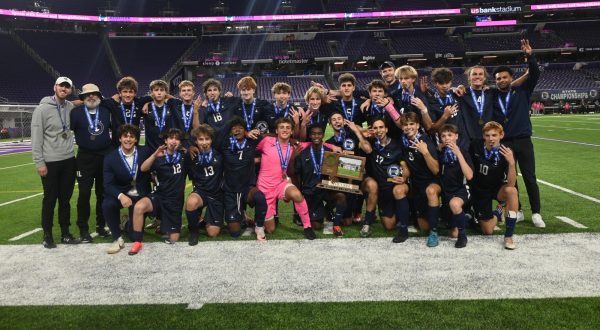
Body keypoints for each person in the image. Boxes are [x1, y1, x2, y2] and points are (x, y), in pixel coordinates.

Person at [254, 117, 340, 240]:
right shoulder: (267, 141)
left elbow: (314, 142)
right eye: (282, 127)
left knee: (297, 194)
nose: (285, 130)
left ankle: (307, 226)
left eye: (288, 128)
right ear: (276, 131)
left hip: (281, 184)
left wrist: (332, 146)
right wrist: (256, 160)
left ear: (292, 131)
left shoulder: (296, 146)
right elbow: (252, 150)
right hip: (265, 187)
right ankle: (258, 224)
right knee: (270, 229)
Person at [492, 39, 545, 228]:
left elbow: (535, 73)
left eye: (504, 77)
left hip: (523, 141)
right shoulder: (493, 96)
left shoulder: (523, 91)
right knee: (510, 179)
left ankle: (536, 213)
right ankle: (519, 210)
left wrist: (530, 56)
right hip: (505, 143)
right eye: (498, 78)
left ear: (510, 78)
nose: (501, 80)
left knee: (530, 177)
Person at [32, 76, 80, 248]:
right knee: (50, 199)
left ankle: (65, 233)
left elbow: (82, 101)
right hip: (50, 162)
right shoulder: (42, 110)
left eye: (67, 87)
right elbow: (36, 139)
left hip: (68, 160)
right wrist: (39, 162)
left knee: (65, 200)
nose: (64, 89)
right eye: (62, 86)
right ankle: (47, 235)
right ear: (55, 87)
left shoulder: (69, 106)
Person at [349, 118, 410, 242]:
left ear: (386, 129)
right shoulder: (371, 143)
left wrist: (404, 177)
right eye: (375, 128)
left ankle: (404, 229)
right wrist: (357, 131)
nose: (378, 130)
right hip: (379, 186)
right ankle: (369, 223)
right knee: (388, 225)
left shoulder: (396, 145)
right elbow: (367, 149)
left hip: (392, 185)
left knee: (399, 192)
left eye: (381, 127)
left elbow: (404, 166)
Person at [128, 128, 187, 255]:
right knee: (139, 207)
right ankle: (137, 241)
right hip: (159, 196)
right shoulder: (159, 156)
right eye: (171, 138)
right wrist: (155, 154)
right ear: (166, 140)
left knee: (174, 239)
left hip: (175, 201)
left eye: (177, 139)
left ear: (180, 142)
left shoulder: (184, 157)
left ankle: (164, 225)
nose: (174, 141)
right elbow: (143, 169)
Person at [69, 83, 113, 242]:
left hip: (104, 157)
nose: (91, 96)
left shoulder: (107, 111)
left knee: (103, 193)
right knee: (84, 194)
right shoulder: (75, 113)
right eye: (88, 94)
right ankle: (83, 229)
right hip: (84, 159)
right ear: (82, 97)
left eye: (94, 94)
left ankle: (101, 226)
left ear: (100, 96)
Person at [212, 116, 264, 240]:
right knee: (235, 233)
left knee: (260, 198)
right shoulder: (224, 144)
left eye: (240, 128)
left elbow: (268, 137)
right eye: (234, 128)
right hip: (230, 190)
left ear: (245, 130)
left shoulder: (252, 141)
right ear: (230, 130)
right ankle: (242, 217)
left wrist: (251, 132)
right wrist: (231, 122)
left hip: (247, 188)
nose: (237, 130)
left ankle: (259, 226)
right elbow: (218, 134)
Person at [102, 124, 151, 254]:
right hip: (122, 193)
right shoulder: (110, 158)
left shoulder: (145, 151)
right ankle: (117, 238)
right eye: (125, 136)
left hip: (140, 195)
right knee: (107, 204)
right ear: (120, 139)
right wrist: (120, 196)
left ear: (136, 139)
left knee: (135, 236)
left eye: (132, 136)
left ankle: (126, 223)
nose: (128, 139)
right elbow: (107, 185)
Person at [470, 121, 519, 250]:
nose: (491, 139)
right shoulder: (475, 146)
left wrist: (512, 163)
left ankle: (508, 236)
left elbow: (511, 184)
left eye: (494, 135)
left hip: (497, 188)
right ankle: (498, 210)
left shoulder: (507, 151)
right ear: (483, 136)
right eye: (487, 135)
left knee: (512, 191)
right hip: (480, 189)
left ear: (501, 135)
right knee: (487, 231)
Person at [293, 124, 347, 235]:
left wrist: (335, 177)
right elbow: (295, 173)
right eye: (313, 134)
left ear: (323, 135)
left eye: (319, 134)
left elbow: (335, 173)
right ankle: (322, 212)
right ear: (310, 135)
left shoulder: (330, 152)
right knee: (316, 226)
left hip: (326, 189)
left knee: (341, 196)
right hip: (310, 192)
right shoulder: (303, 153)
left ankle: (336, 224)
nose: (316, 136)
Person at [400, 112, 441, 247]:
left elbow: (435, 170)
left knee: (431, 191)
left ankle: (434, 232)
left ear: (418, 125)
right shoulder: (405, 142)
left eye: (412, 124)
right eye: (405, 125)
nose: (408, 127)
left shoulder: (425, 141)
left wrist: (425, 153)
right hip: (417, 185)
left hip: (432, 182)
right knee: (423, 227)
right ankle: (439, 216)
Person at [185, 124, 225, 244]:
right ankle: (193, 231)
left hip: (217, 194)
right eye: (201, 139)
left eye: (207, 139)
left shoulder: (219, 155)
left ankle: (206, 219)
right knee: (191, 202)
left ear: (211, 140)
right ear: (196, 141)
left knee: (213, 233)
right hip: (201, 192)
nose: (204, 142)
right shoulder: (191, 156)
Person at [438, 124, 473, 248]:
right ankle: (466, 219)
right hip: (446, 193)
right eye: (443, 136)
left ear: (456, 136)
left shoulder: (463, 152)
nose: (447, 138)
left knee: (455, 204)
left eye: (450, 135)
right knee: (452, 233)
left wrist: (458, 154)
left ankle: (463, 236)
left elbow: (469, 176)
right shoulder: (440, 153)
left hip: (461, 190)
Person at [144, 80, 178, 151]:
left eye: (162, 90)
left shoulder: (171, 106)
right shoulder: (146, 108)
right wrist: (147, 102)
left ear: (166, 92)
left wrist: (167, 96)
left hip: (168, 147)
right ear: (152, 92)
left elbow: (179, 102)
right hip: (150, 148)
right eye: (156, 90)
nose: (159, 93)